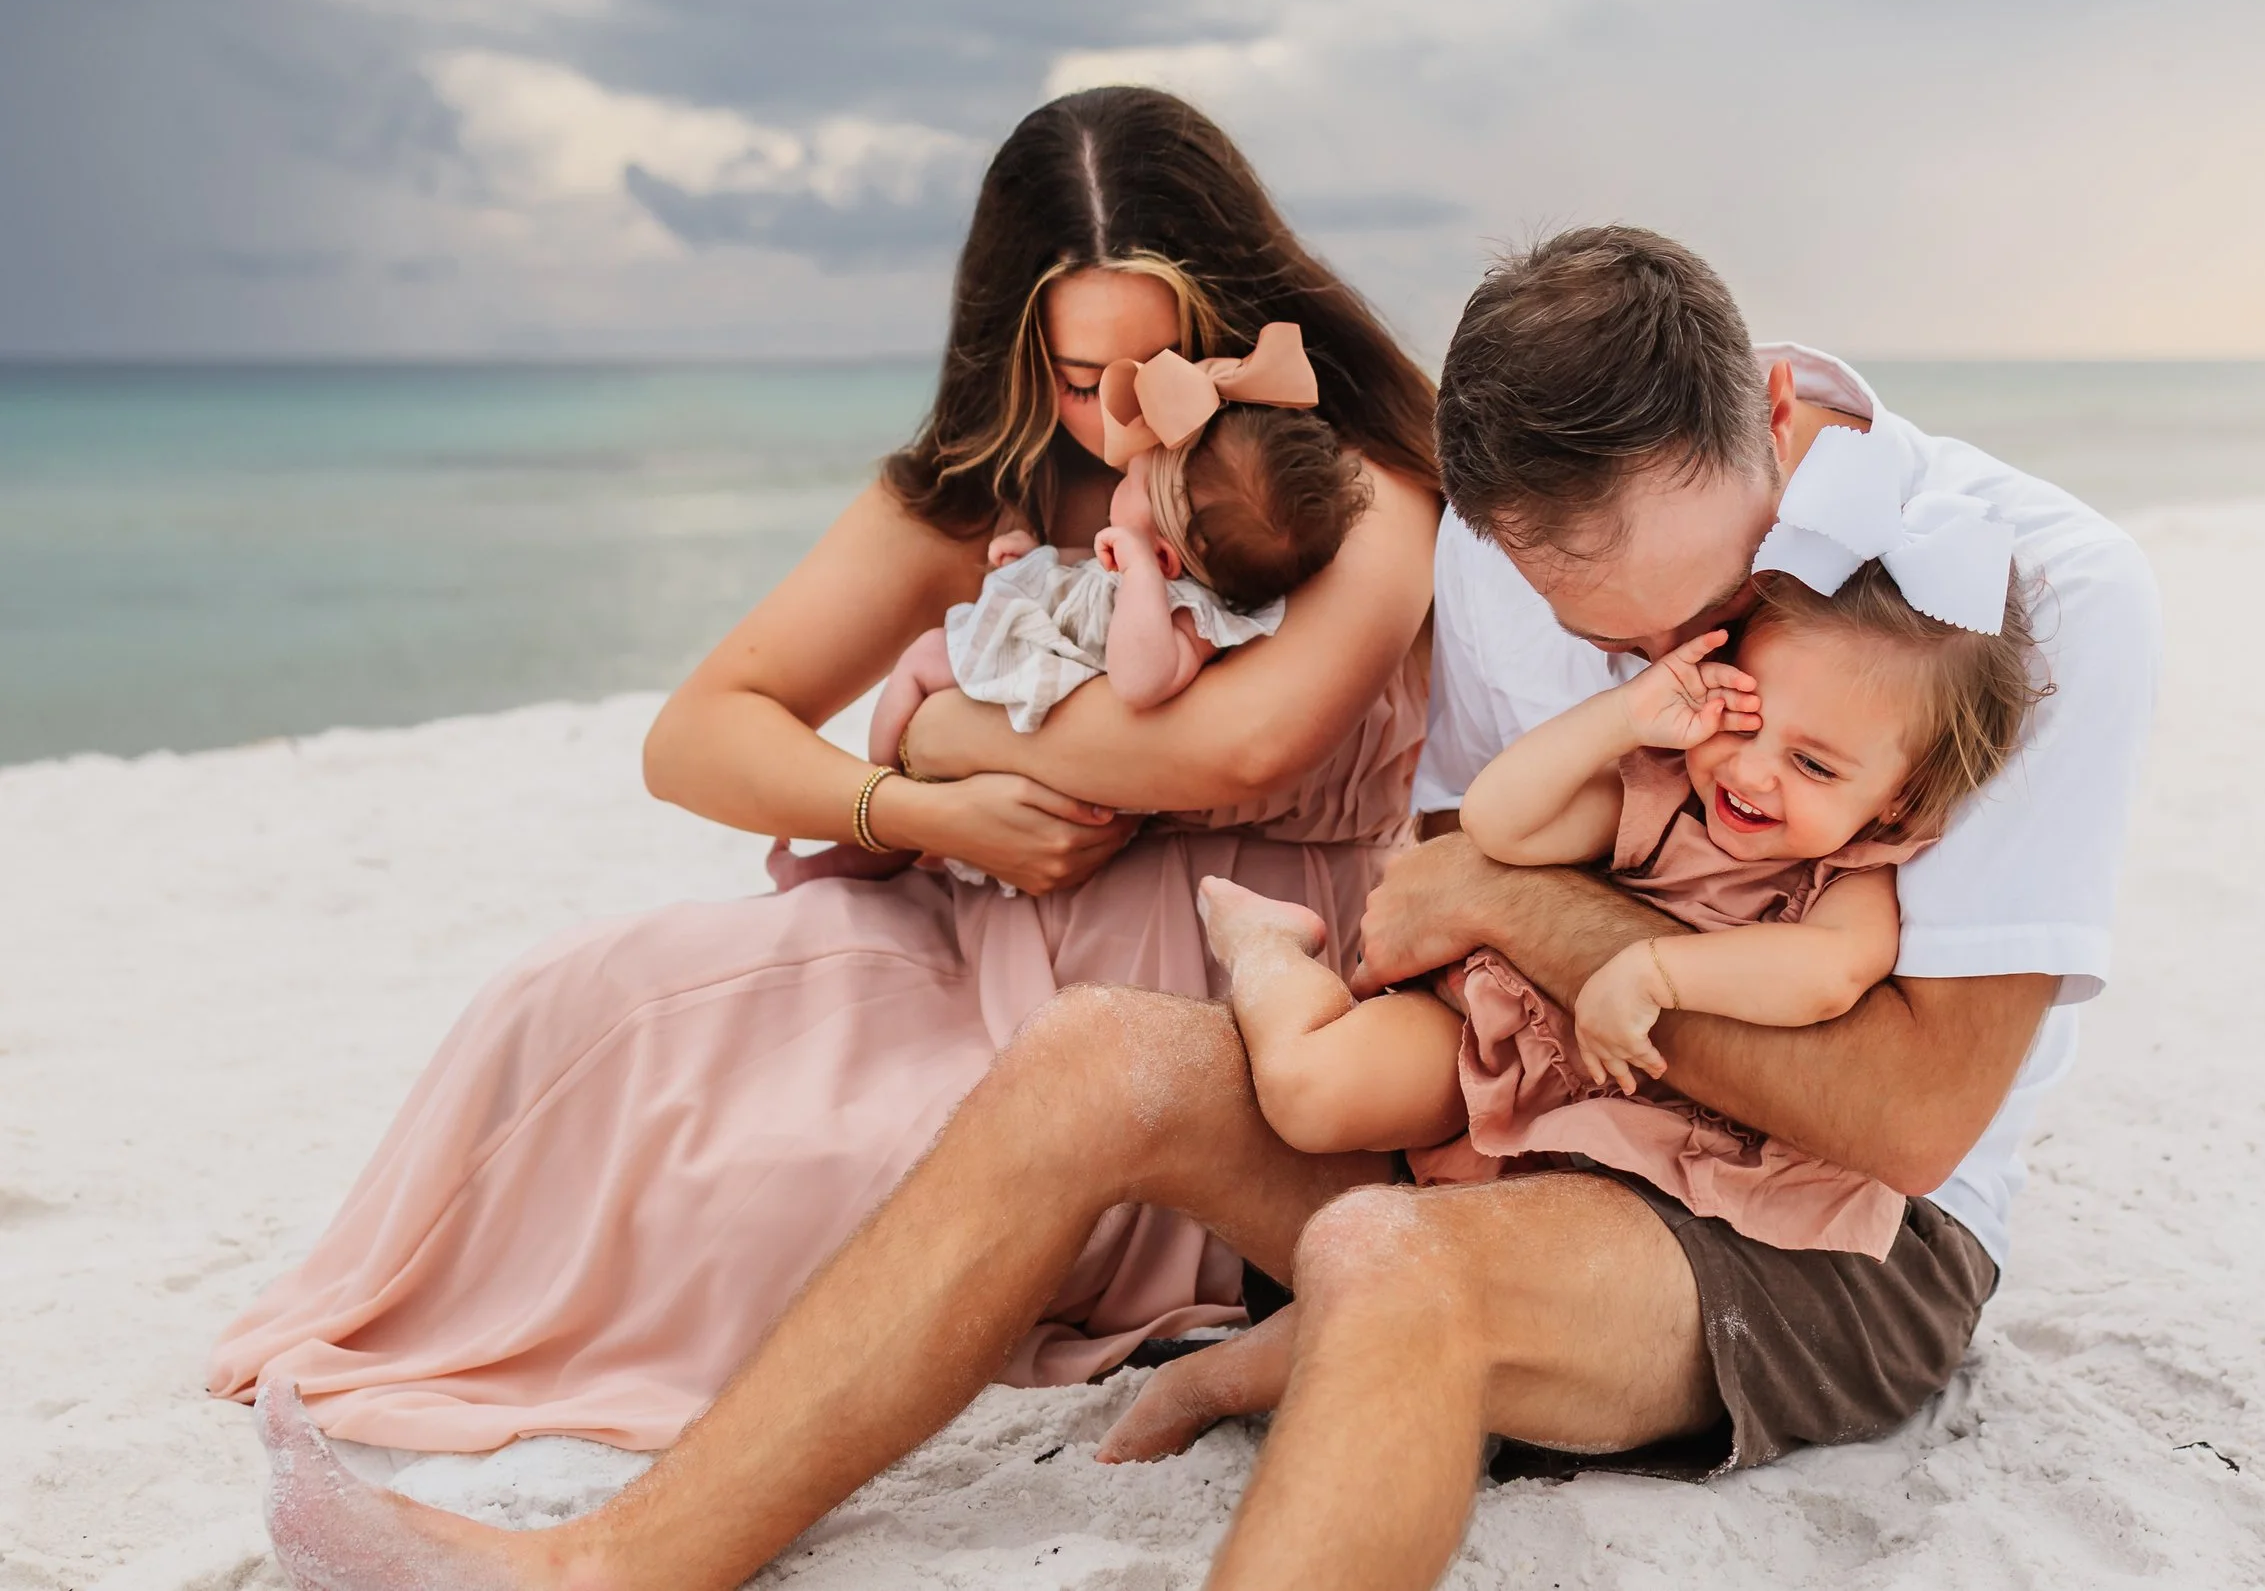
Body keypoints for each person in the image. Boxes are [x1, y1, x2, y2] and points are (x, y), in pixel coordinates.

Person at [252, 225, 2161, 1591]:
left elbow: (1916, 1111)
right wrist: (1485, 905)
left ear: (1765, 414)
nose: (1689, 684)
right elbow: (1429, 910)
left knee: (1394, 1273)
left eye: (1704, 604)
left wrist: (1539, 904)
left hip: (1821, 1236)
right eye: (1618, 643)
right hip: (1521, 1120)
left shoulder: (2040, 597)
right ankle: (615, 1562)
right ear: (1496, 532)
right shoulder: (1503, 566)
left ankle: (1350, 1341)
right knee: (1093, 1061)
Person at [206, 84, 1443, 1454]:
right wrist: (907, 795)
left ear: (1219, 327)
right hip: (966, 919)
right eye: (1073, 376)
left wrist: (945, 724)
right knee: (568, 998)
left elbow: (1235, 744)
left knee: (795, 1176)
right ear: (1013, 346)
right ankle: (388, 1321)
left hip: (1193, 999)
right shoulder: (991, 486)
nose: (1107, 421)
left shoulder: (1332, 480)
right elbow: (696, 732)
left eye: (1145, 370)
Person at [1200, 484, 2049, 1261]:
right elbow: (1500, 824)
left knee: (1472, 1261)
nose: (1753, 774)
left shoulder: (1851, 882)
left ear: (1898, 802)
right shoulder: (1665, 793)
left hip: (1658, 1117)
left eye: (1816, 767)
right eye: (1738, 717)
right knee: (1311, 1090)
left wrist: (1654, 969)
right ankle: (1269, 947)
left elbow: (1824, 978)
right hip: (1519, 1036)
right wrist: (1624, 716)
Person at [776, 323, 1369, 889]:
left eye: (1135, 480)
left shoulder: (1193, 618)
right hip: (1051, 694)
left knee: (925, 656)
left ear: (1167, 557)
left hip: (1063, 723)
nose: (1124, 472)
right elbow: (1087, 580)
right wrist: (1035, 558)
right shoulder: (1161, 573)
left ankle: (891, 811)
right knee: (931, 659)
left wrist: (1138, 575)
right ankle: (895, 817)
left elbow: (1140, 681)